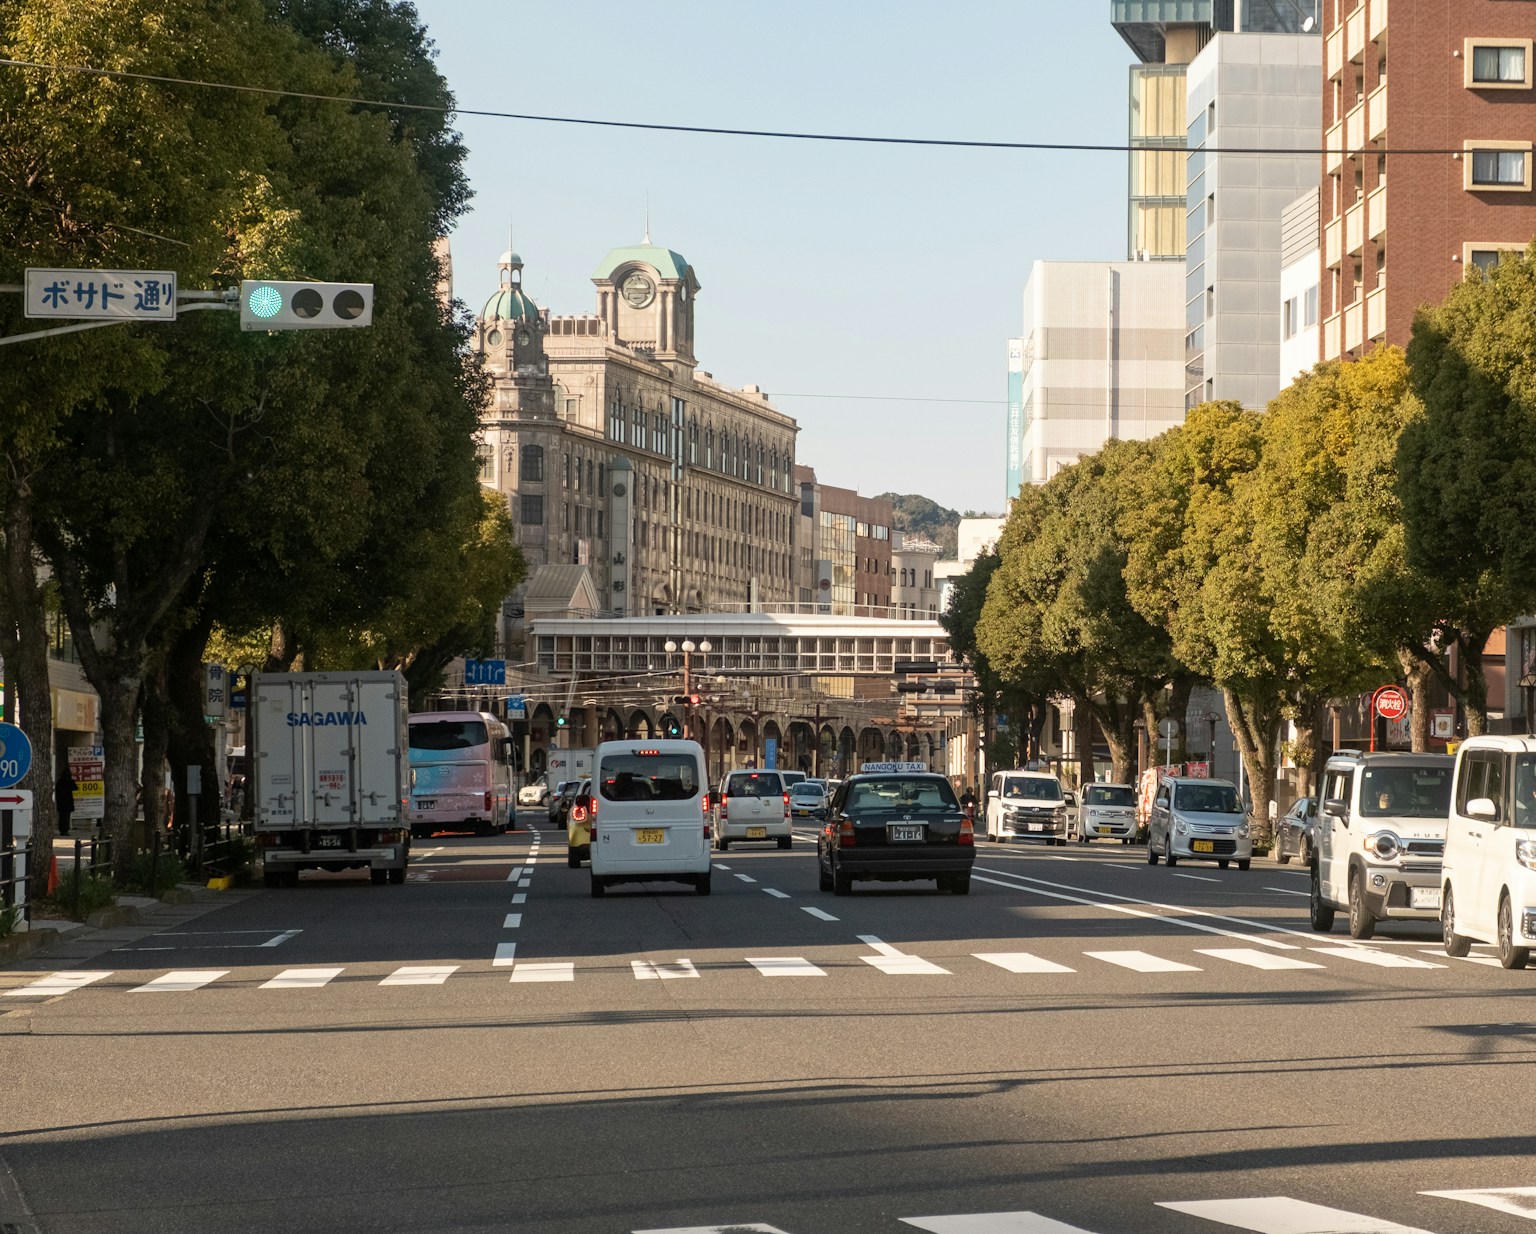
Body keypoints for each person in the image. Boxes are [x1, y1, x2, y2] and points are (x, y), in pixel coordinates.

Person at [54, 767, 77, 836]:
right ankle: (65, 830)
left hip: (61, 802)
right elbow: (75, 788)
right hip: (68, 802)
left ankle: (62, 829)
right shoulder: (70, 782)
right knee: (67, 817)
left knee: (61, 817)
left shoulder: (59, 782)